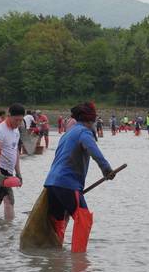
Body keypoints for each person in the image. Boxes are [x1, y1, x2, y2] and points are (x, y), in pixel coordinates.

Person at [44, 102, 115, 252]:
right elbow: (94, 152)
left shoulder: (67, 134)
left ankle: (55, 257)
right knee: (83, 219)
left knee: (58, 221)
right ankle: (78, 258)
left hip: (51, 184)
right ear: (91, 121)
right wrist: (107, 170)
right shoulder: (84, 132)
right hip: (67, 184)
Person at [0, 103, 25, 221]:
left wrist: (18, 173)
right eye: (16, 120)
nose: (18, 123)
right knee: (9, 200)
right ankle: (9, 230)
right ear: (9, 115)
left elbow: (15, 152)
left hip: (8, 170)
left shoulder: (16, 131)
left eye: (21, 120)